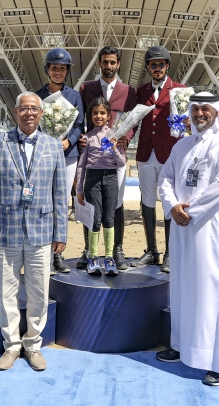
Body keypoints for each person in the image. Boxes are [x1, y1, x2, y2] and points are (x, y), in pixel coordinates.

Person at [155, 92, 219, 386]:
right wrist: (171, 206)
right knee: (183, 286)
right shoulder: (182, 145)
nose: (199, 114)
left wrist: (190, 211)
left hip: (211, 229)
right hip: (182, 227)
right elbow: (166, 177)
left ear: (216, 111)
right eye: (195, 109)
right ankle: (182, 346)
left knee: (212, 290)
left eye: (205, 109)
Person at [0, 92, 68, 372]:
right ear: (15, 112)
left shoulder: (54, 147)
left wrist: (61, 232)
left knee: (38, 293)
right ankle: (11, 346)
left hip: (41, 232)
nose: (29, 114)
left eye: (34, 109)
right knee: (6, 293)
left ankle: (33, 345)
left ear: (41, 114)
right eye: (24, 109)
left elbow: (59, 193)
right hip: (5, 232)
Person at [78, 46, 137, 270]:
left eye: (113, 62)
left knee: (117, 203)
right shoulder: (87, 88)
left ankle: (117, 250)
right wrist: (82, 138)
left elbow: (133, 121)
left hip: (115, 155)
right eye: (105, 62)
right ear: (99, 64)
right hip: (93, 154)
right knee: (91, 206)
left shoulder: (128, 91)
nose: (109, 66)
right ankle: (88, 249)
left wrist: (125, 139)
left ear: (118, 64)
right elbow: (80, 119)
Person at [131, 45, 186, 272]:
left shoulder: (180, 90)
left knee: (168, 201)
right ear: (147, 68)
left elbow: (186, 122)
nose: (157, 68)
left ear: (167, 66)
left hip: (169, 154)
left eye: (161, 64)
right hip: (145, 153)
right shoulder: (141, 91)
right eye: (153, 65)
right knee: (147, 201)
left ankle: (171, 252)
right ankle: (152, 250)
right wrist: (121, 137)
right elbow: (133, 119)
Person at [35, 47, 84, 274]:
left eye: (61, 69)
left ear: (66, 72)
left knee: (62, 204)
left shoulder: (74, 96)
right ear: (47, 69)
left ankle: (59, 253)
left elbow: (79, 125)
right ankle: (44, 251)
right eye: (54, 68)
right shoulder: (37, 96)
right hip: (43, 156)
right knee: (44, 203)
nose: (57, 72)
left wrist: (69, 141)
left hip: (67, 156)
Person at [75, 97, 126, 276]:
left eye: (102, 113)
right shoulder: (87, 138)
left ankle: (110, 257)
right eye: (95, 113)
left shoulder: (115, 135)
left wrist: (114, 148)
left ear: (108, 115)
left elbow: (121, 163)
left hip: (111, 179)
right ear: (90, 116)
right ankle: (94, 257)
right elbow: (81, 165)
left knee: (109, 218)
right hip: (92, 179)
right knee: (95, 219)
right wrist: (79, 189)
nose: (98, 116)